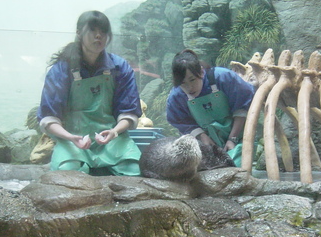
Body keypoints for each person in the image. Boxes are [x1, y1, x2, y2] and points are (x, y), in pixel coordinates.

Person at [37, 10, 142, 175]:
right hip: (72, 140)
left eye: (103, 31)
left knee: (134, 170)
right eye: (93, 30)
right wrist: (71, 137)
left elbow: (129, 112)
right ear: (79, 33)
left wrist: (114, 132)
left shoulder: (120, 67)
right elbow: (49, 118)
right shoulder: (61, 70)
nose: (98, 36)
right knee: (67, 173)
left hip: (111, 139)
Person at [166, 49, 255, 167]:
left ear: (201, 72)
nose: (189, 87)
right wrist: (202, 137)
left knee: (234, 166)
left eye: (192, 79)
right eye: (183, 83)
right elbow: (181, 121)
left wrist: (232, 139)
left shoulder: (223, 77)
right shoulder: (176, 97)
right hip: (205, 145)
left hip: (238, 138)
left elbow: (243, 105)